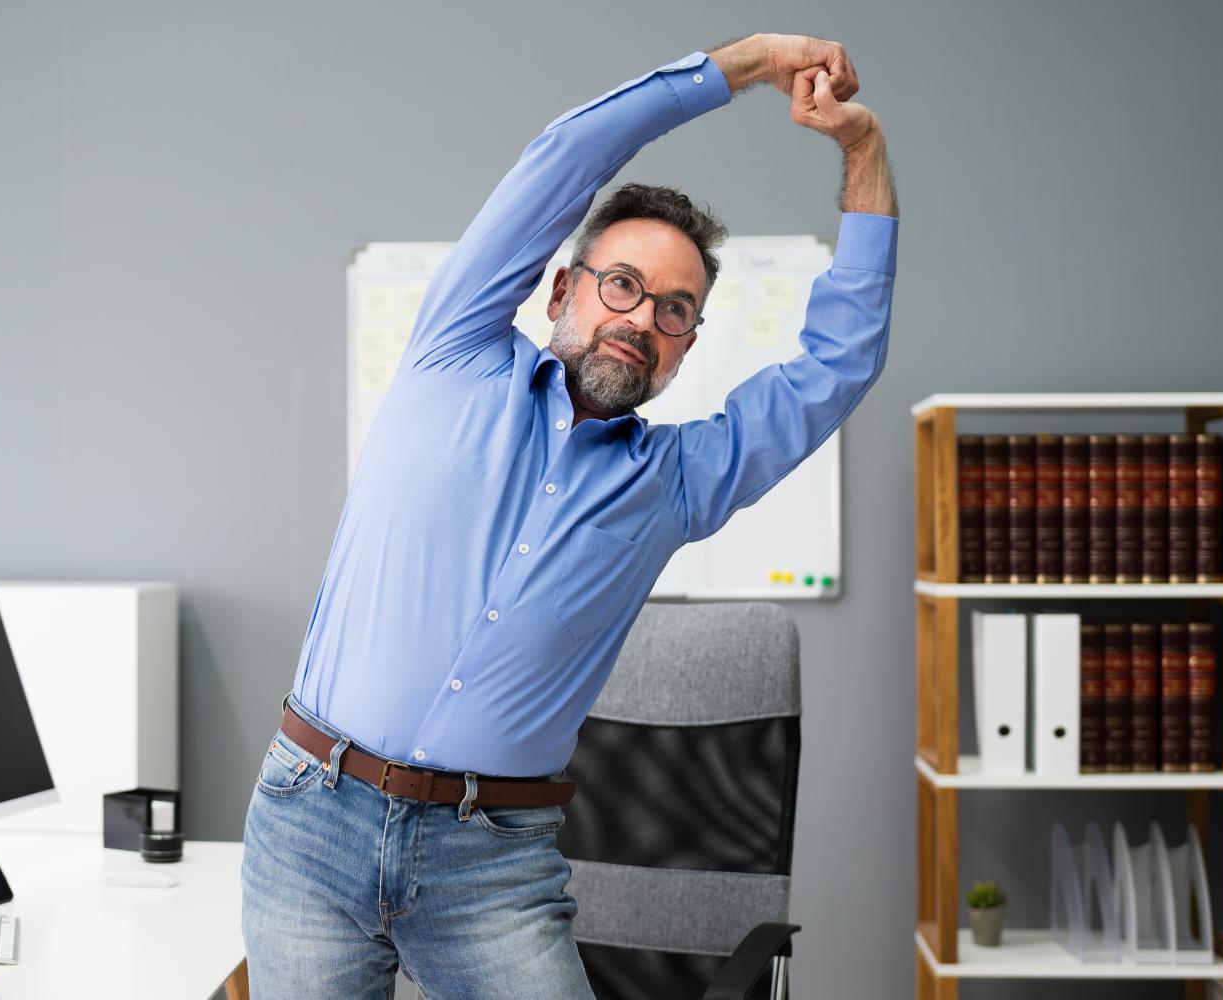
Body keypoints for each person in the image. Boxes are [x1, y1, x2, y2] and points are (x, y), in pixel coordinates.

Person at [242, 32, 897, 999]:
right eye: (622, 285)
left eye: (675, 310)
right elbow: (567, 158)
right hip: (311, 819)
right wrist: (748, 62)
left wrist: (864, 151)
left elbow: (837, 367)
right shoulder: (455, 352)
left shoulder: (679, 482)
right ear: (563, 290)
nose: (641, 318)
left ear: (685, 349)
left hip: (491, 866)